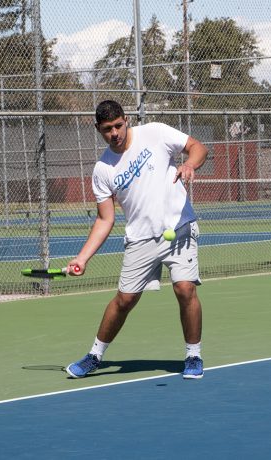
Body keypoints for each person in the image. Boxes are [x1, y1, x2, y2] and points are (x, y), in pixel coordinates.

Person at [65, 100, 208, 379]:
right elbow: (105, 219)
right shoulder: (103, 169)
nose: (115, 133)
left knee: (185, 289)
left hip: (179, 228)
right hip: (141, 239)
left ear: (126, 119)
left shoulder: (155, 133)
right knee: (125, 300)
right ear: (98, 129)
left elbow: (198, 147)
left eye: (118, 125)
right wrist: (82, 257)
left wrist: (190, 164)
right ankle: (95, 356)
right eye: (107, 129)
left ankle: (193, 355)